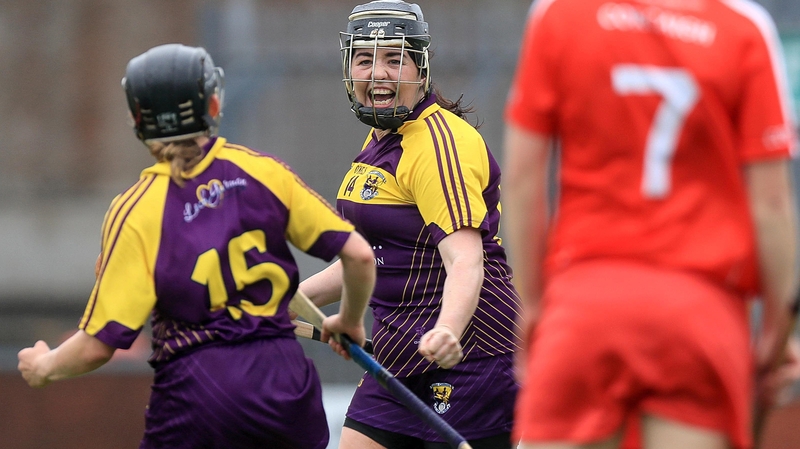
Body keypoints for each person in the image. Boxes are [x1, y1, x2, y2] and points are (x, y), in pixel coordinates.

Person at [17, 43, 376, 449]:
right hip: (285, 386)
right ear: (213, 103)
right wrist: (350, 320)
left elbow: (99, 345)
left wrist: (45, 365)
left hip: (197, 393)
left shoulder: (135, 210)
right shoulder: (262, 172)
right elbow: (359, 254)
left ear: (138, 117)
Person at [502, 0, 799, 448]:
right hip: (699, 317)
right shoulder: (744, 28)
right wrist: (778, 331)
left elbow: (524, 180)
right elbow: (772, 205)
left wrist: (531, 304)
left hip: (585, 306)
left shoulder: (560, 14)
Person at [297, 1, 523, 448]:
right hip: (397, 358)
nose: (378, 73)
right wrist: (291, 298)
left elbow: (465, 259)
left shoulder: (440, 144)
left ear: (420, 71)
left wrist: (448, 331)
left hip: (471, 357)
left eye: (394, 58)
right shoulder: (380, 141)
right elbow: (369, 258)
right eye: (365, 59)